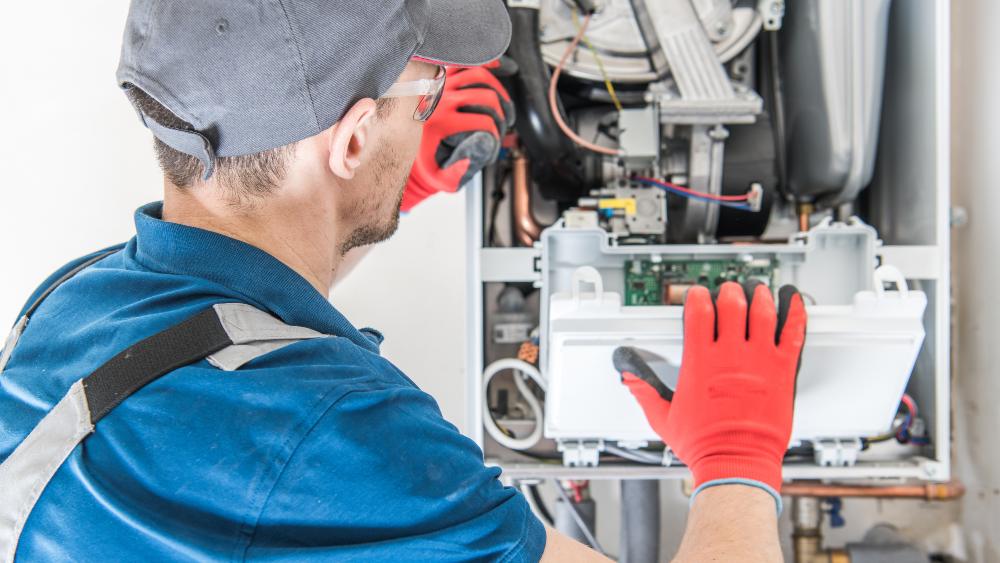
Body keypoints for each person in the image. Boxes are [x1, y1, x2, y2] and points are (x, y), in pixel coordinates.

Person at [0, 1, 805, 561]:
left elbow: (244, 336)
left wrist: (386, 190)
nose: (432, 107)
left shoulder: (75, 300)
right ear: (350, 141)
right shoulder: (344, 433)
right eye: (424, 89)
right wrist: (738, 456)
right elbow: (293, 430)